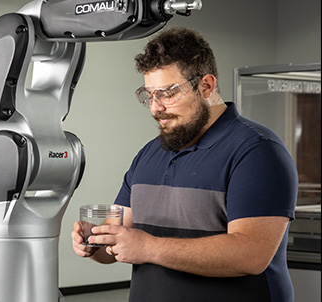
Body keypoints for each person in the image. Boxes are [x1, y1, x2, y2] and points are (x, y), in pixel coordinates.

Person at [71, 27, 298, 302]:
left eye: (167, 93)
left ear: (206, 85)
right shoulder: (149, 154)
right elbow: (120, 243)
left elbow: (251, 255)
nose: (155, 107)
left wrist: (149, 248)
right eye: (149, 95)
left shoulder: (257, 151)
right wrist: (94, 243)